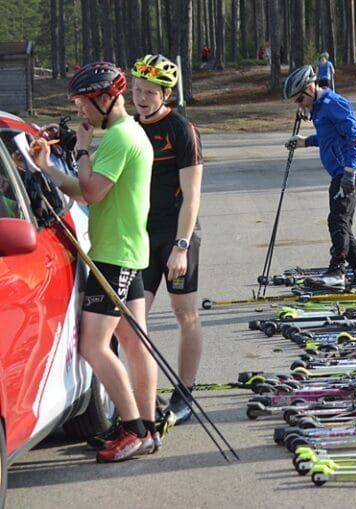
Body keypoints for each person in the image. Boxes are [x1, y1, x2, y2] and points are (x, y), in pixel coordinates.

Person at [31, 62, 158, 462]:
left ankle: (134, 428)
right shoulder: (129, 131)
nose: (80, 112)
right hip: (128, 248)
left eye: (84, 104)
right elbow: (88, 189)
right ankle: (148, 428)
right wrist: (47, 168)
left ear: (106, 99)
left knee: (93, 345)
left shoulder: (120, 137)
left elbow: (90, 193)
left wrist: (80, 149)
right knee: (135, 344)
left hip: (114, 254)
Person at [131, 54, 204, 423]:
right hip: (141, 237)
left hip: (176, 235)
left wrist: (181, 246)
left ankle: (185, 392)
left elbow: (192, 196)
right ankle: (142, 393)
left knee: (184, 313)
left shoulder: (181, 130)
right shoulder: (130, 128)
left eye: (149, 92)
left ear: (166, 94)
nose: (140, 97)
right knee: (133, 319)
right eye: (136, 90)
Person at [282, 65, 356, 291]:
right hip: (341, 171)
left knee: (337, 219)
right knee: (343, 224)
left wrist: (350, 172)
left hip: (349, 170)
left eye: (300, 98)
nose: (299, 104)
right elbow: (329, 137)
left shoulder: (334, 103)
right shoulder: (320, 110)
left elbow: (353, 136)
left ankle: (337, 272)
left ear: (311, 87)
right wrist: (305, 141)